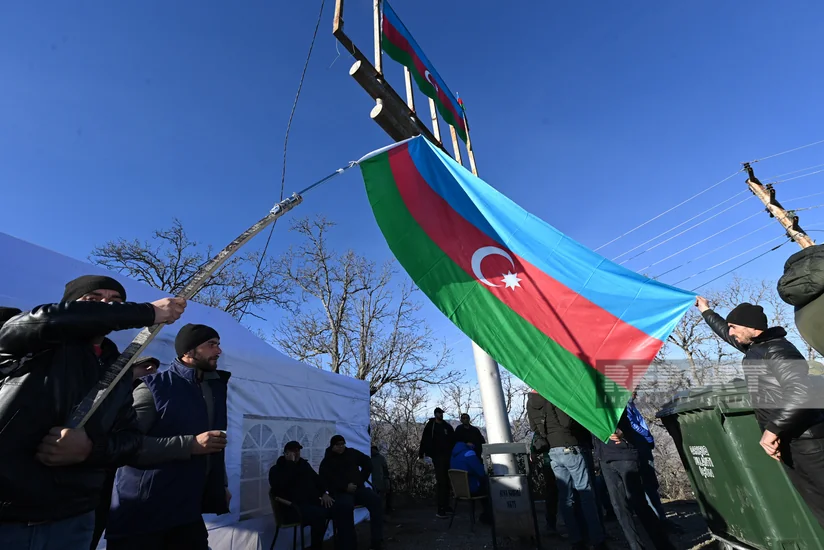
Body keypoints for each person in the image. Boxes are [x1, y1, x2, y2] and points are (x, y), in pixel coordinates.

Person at [0, 275, 185, 550]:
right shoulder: (25, 338)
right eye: (93, 299)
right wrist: (148, 312)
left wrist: (89, 449)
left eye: (116, 301)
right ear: (69, 305)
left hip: (73, 517)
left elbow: (130, 439)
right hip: (7, 513)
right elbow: (49, 320)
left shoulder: (116, 367)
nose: (107, 306)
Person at [696, 297, 824, 528]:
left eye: (734, 327)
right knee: (819, 508)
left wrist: (771, 430)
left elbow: (800, 393)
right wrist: (706, 310)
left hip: (810, 443)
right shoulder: (755, 348)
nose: (730, 332)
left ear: (752, 328)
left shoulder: (778, 350)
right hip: (789, 441)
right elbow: (725, 332)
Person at [106, 324, 231, 550]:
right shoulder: (153, 387)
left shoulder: (215, 389)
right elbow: (125, 446)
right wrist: (190, 445)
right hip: (142, 515)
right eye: (211, 345)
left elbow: (214, 445)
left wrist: (220, 485)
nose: (218, 351)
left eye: (218, 344)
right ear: (188, 351)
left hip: (187, 513)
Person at [90, 356, 161, 550]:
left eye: (154, 368)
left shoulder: (147, 395)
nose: (151, 370)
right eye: (145, 366)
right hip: (91, 473)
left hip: (118, 479)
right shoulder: (103, 393)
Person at [594, 411, 675, 550]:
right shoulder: (586, 403)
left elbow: (622, 415)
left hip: (624, 454)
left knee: (639, 503)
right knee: (619, 507)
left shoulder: (611, 400)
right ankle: (636, 546)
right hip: (605, 458)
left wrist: (622, 432)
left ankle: (664, 545)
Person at [544, 398, 606, 550]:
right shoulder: (559, 397)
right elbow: (566, 422)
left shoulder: (538, 401)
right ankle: (597, 539)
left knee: (566, 497)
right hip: (570, 447)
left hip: (553, 450)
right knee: (586, 494)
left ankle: (576, 540)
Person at [270, 440, 350, 550]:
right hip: (292, 508)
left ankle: (345, 545)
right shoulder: (277, 469)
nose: (296, 454)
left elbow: (317, 480)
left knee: (340, 508)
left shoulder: (304, 465)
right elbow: (279, 487)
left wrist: (324, 493)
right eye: (293, 451)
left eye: (298, 451)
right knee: (319, 515)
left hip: (311, 503)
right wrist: (290, 464)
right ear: (286, 453)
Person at [626, 391, 682, 534]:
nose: (635, 392)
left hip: (643, 445)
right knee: (648, 486)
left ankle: (660, 518)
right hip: (639, 446)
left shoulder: (631, 405)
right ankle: (658, 521)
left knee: (651, 484)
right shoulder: (624, 407)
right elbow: (633, 425)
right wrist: (647, 436)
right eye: (633, 389)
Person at [320, 435, 383, 550]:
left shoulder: (351, 453)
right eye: (337, 445)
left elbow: (367, 463)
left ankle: (377, 542)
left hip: (358, 489)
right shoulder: (327, 461)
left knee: (376, 501)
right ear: (332, 446)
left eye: (342, 444)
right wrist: (344, 487)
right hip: (341, 492)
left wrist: (360, 479)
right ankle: (349, 545)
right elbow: (326, 480)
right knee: (345, 508)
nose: (341, 447)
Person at [418, 407, 455, 518]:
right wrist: (422, 454)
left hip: (447, 456)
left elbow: (453, 439)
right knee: (441, 481)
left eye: (441, 413)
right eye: (439, 413)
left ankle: (446, 505)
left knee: (447, 481)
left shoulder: (447, 426)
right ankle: (440, 508)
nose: (441, 415)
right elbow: (425, 439)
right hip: (437, 457)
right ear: (435, 414)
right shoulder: (431, 426)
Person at [450, 434, 492, 524]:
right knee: (490, 486)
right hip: (472, 488)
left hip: (460, 490)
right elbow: (481, 472)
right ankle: (489, 516)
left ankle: (484, 516)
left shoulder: (453, 456)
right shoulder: (469, 454)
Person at [370, 444, 392, 513]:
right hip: (378, 482)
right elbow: (385, 471)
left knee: (378, 499)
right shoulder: (381, 458)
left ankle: (379, 512)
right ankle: (381, 512)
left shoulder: (370, 458)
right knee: (381, 499)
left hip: (374, 482)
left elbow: (385, 471)